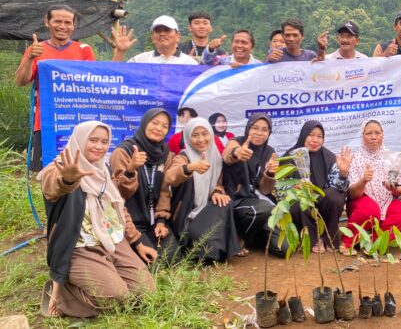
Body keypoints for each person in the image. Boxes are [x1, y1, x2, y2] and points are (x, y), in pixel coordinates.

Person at [39, 121, 155, 317]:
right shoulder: (60, 167)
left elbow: (117, 209)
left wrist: (137, 241)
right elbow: (52, 186)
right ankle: (63, 295)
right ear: (80, 140)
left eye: (104, 141)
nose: (99, 147)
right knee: (116, 297)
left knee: (146, 293)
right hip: (79, 246)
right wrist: (68, 180)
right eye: (93, 140)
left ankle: (106, 271)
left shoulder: (103, 170)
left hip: (112, 240)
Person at [15, 5, 100, 171]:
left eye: (67, 22)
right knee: (47, 174)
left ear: (74, 26)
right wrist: (30, 57)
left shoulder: (84, 50)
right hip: (46, 123)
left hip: (78, 122)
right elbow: (20, 81)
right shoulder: (36, 49)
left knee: (80, 172)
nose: (62, 26)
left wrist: (119, 52)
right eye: (57, 21)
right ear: (47, 22)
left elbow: (96, 83)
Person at [164, 118, 246, 263]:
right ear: (188, 137)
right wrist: (189, 168)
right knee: (205, 247)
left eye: (204, 134)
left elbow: (217, 184)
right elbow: (170, 177)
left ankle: (220, 249)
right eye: (195, 135)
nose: (201, 139)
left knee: (224, 202)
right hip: (185, 218)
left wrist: (216, 192)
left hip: (203, 211)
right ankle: (202, 248)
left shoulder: (215, 156)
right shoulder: (184, 156)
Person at [340, 120, 401, 254]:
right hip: (362, 204)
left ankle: (374, 241)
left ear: (383, 135)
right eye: (369, 133)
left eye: (377, 133)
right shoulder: (356, 159)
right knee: (370, 210)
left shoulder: (392, 157)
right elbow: (352, 194)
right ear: (362, 136)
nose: (374, 137)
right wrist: (363, 181)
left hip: (387, 203)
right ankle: (348, 241)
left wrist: (393, 188)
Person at [110, 108, 178, 260]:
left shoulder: (165, 153)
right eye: (155, 123)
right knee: (152, 263)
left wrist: (161, 221)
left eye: (164, 126)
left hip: (154, 224)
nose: (159, 129)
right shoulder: (124, 151)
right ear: (145, 123)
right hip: (130, 224)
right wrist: (130, 169)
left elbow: (164, 190)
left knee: (174, 258)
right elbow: (119, 195)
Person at [221, 113, 287, 257]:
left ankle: (252, 237)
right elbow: (227, 155)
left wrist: (269, 174)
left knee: (284, 248)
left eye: (264, 130)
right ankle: (238, 237)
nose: (259, 133)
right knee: (264, 209)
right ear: (248, 128)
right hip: (234, 200)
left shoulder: (269, 152)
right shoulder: (236, 142)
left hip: (254, 201)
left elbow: (265, 189)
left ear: (269, 133)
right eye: (255, 128)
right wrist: (237, 153)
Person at [284, 121, 350, 252]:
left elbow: (340, 187)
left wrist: (343, 173)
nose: (315, 140)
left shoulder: (330, 157)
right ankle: (313, 239)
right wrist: (293, 188)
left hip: (322, 202)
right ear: (303, 136)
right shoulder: (289, 157)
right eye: (311, 135)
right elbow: (279, 189)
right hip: (302, 204)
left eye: (320, 136)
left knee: (336, 195)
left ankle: (330, 237)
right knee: (296, 201)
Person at [126, 15, 198, 65]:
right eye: (158, 31)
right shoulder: (139, 60)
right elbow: (117, 77)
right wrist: (120, 51)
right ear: (152, 37)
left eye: (167, 30)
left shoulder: (190, 63)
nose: (162, 34)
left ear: (177, 36)